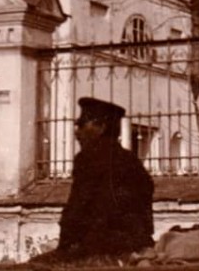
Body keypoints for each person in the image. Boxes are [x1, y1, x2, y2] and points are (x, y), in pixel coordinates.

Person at [31, 97, 155, 265]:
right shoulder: (131, 160)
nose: (77, 131)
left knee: (34, 265)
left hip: (98, 249)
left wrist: (65, 247)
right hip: (134, 246)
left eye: (82, 125)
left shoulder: (88, 159)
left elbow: (77, 208)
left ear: (101, 127)